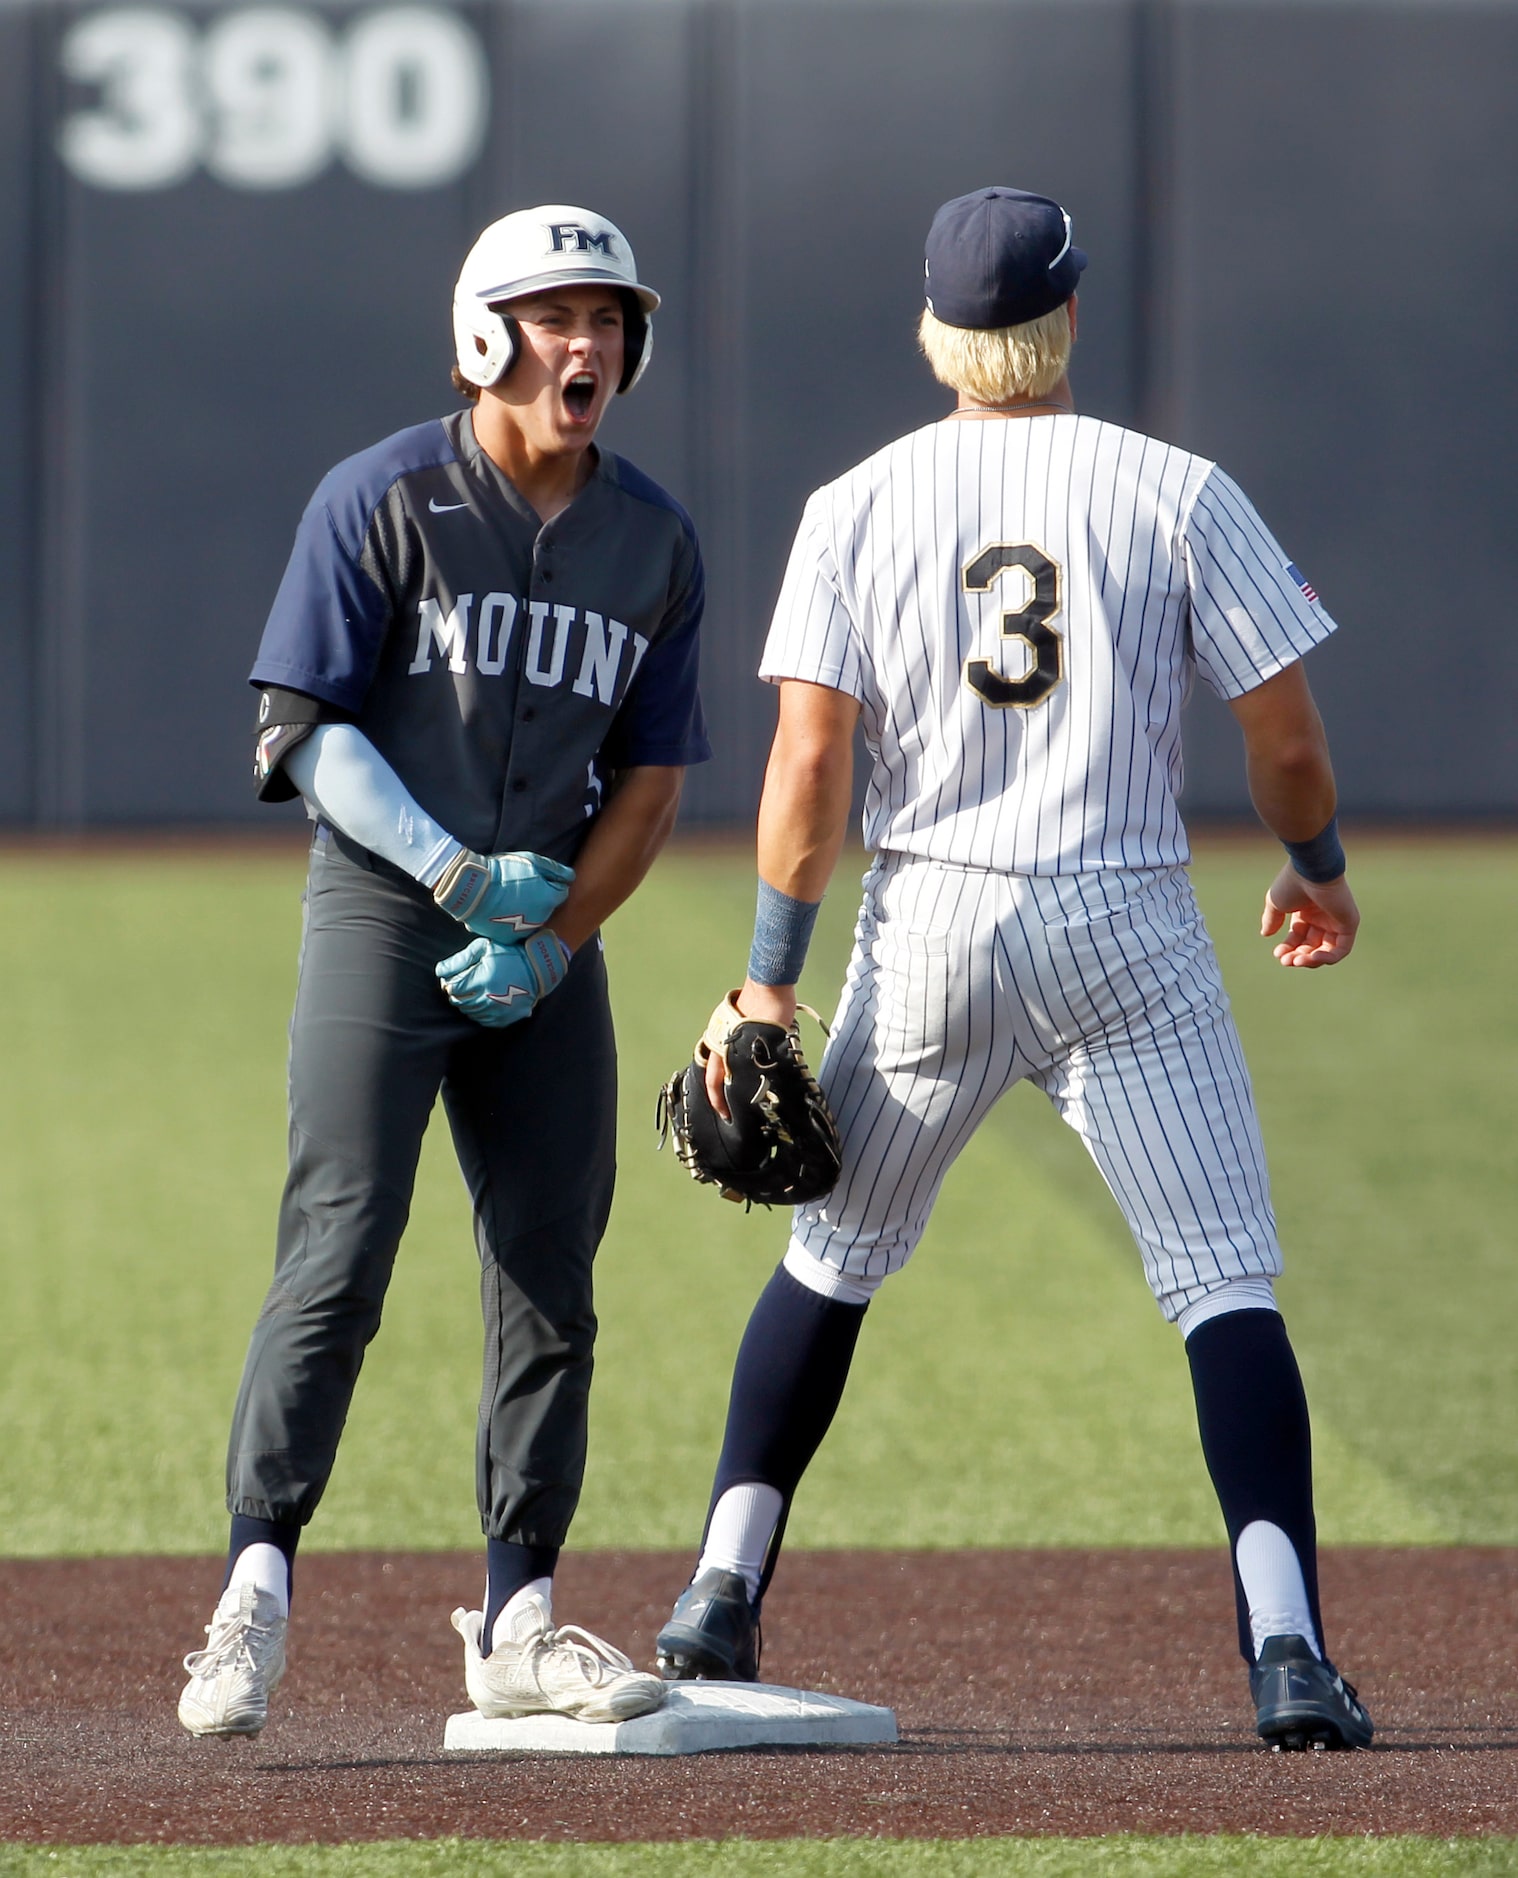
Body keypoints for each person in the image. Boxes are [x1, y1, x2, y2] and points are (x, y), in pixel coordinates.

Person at [654, 186, 1373, 1752]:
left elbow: (809, 759)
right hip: (1122, 918)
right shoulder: (1173, 488)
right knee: (1220, 1287)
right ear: (1067, 320)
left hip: (932, 924)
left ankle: (720, 1581)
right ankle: (1286, 1648)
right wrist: (1314, 870)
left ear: (932, 331)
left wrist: (769, 980)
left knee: (831, 1261)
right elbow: (1287, 738)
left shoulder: (854, 501)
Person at [178, 204, 708, 1738]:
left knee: (551, 1272)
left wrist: (550, 939)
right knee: (338, 1253)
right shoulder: (385, 493)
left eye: (608, 318)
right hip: (386, 911)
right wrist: (461, 877)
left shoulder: (653, 538)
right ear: (485, 332)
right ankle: (252, 1592)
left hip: (548, 937)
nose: (588, 342)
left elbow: (652, 784)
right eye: (556, 315)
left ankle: (523, 1614)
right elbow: (306, 730)